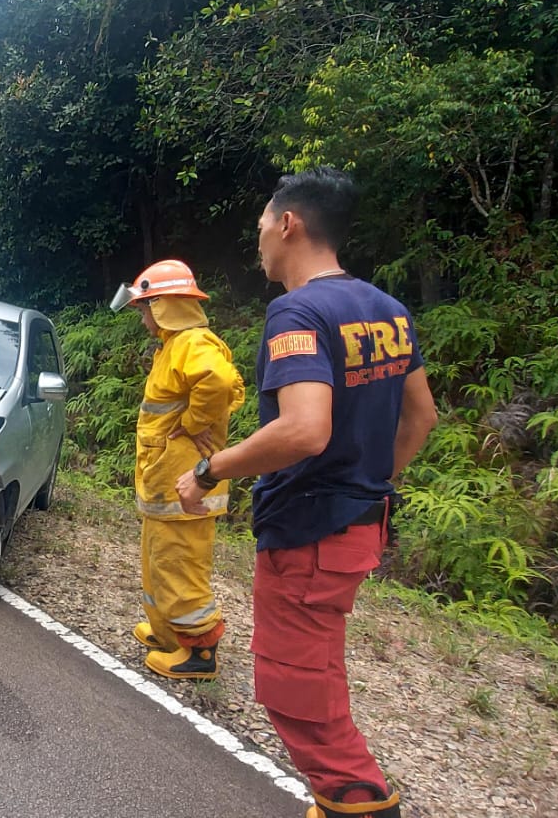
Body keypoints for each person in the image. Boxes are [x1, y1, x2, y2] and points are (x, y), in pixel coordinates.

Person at [175, 168, 437, 818]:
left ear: (288, 223)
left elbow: (303, 427)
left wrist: (212, 470)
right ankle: (337, 799)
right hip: (355, 523)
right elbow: (422, 415)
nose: (258, 239)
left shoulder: (298, 311)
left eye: (262, 224)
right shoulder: (388, 310)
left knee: (295, 692)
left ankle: (358, 801)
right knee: (315, 666)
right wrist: (371, 483)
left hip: (310, 530)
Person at [108, 259, 244, 681]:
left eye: (146, 307)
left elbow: (218, 382)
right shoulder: (175, 344)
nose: (143, 316)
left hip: (186, 485)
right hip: (168, 482)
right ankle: (170, 633)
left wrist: (191, 425)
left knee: (180, 566)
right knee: (160, 562)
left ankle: (200, 652)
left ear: (165, 304)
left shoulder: (192, 344)